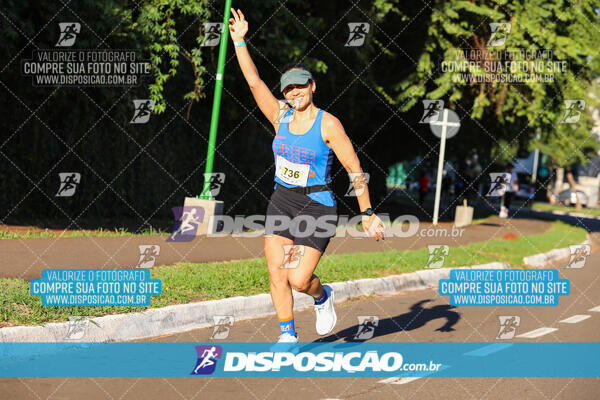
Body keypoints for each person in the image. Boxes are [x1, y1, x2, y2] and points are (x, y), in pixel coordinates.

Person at [228, 9, 386, 343]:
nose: (294, 92)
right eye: (288, 89)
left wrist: (368, 213)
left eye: (301, 86)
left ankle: (321, 295)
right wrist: (240, 41)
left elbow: (354, 169)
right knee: (275, 272)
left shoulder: (328, 124)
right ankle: (288, 336)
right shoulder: (279, 116)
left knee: (299, 278)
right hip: (283, 200)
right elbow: (254, 81)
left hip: (317, 205)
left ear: (312, 86)